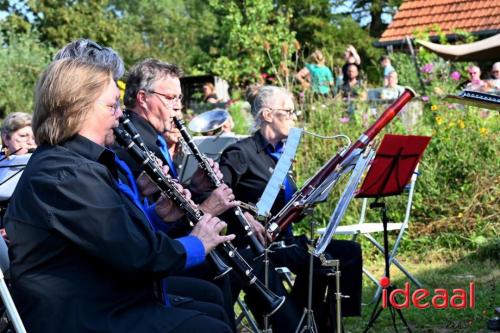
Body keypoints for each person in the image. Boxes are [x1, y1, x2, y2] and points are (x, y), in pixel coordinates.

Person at [4, 58, 234, 333]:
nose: (121, 115)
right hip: (85, 314)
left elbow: (109, 234)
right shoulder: (66, 174)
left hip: (100, 294)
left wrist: (157, 216)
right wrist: (196, 243)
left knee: (211, 308)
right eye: (112, 105)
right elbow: (135, 255)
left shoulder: (73, 164)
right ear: (80, 109)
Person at [217, 85, 363, 332]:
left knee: (348, 251)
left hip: (284, 241)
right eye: (289, 112)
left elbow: (286, 202)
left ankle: (328, 318)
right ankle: (298, 320)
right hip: (256, 248)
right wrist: (245, 215)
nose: (295, 118)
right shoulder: (240, 153)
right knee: (316, 261)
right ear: (267, 115)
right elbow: (217, 197)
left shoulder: (283, 154)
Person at [0, 112, 36, 202]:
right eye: (23, 136)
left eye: (34, 138)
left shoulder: (41, 161)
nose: (30, 142)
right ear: (6, 139)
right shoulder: (2, 157)